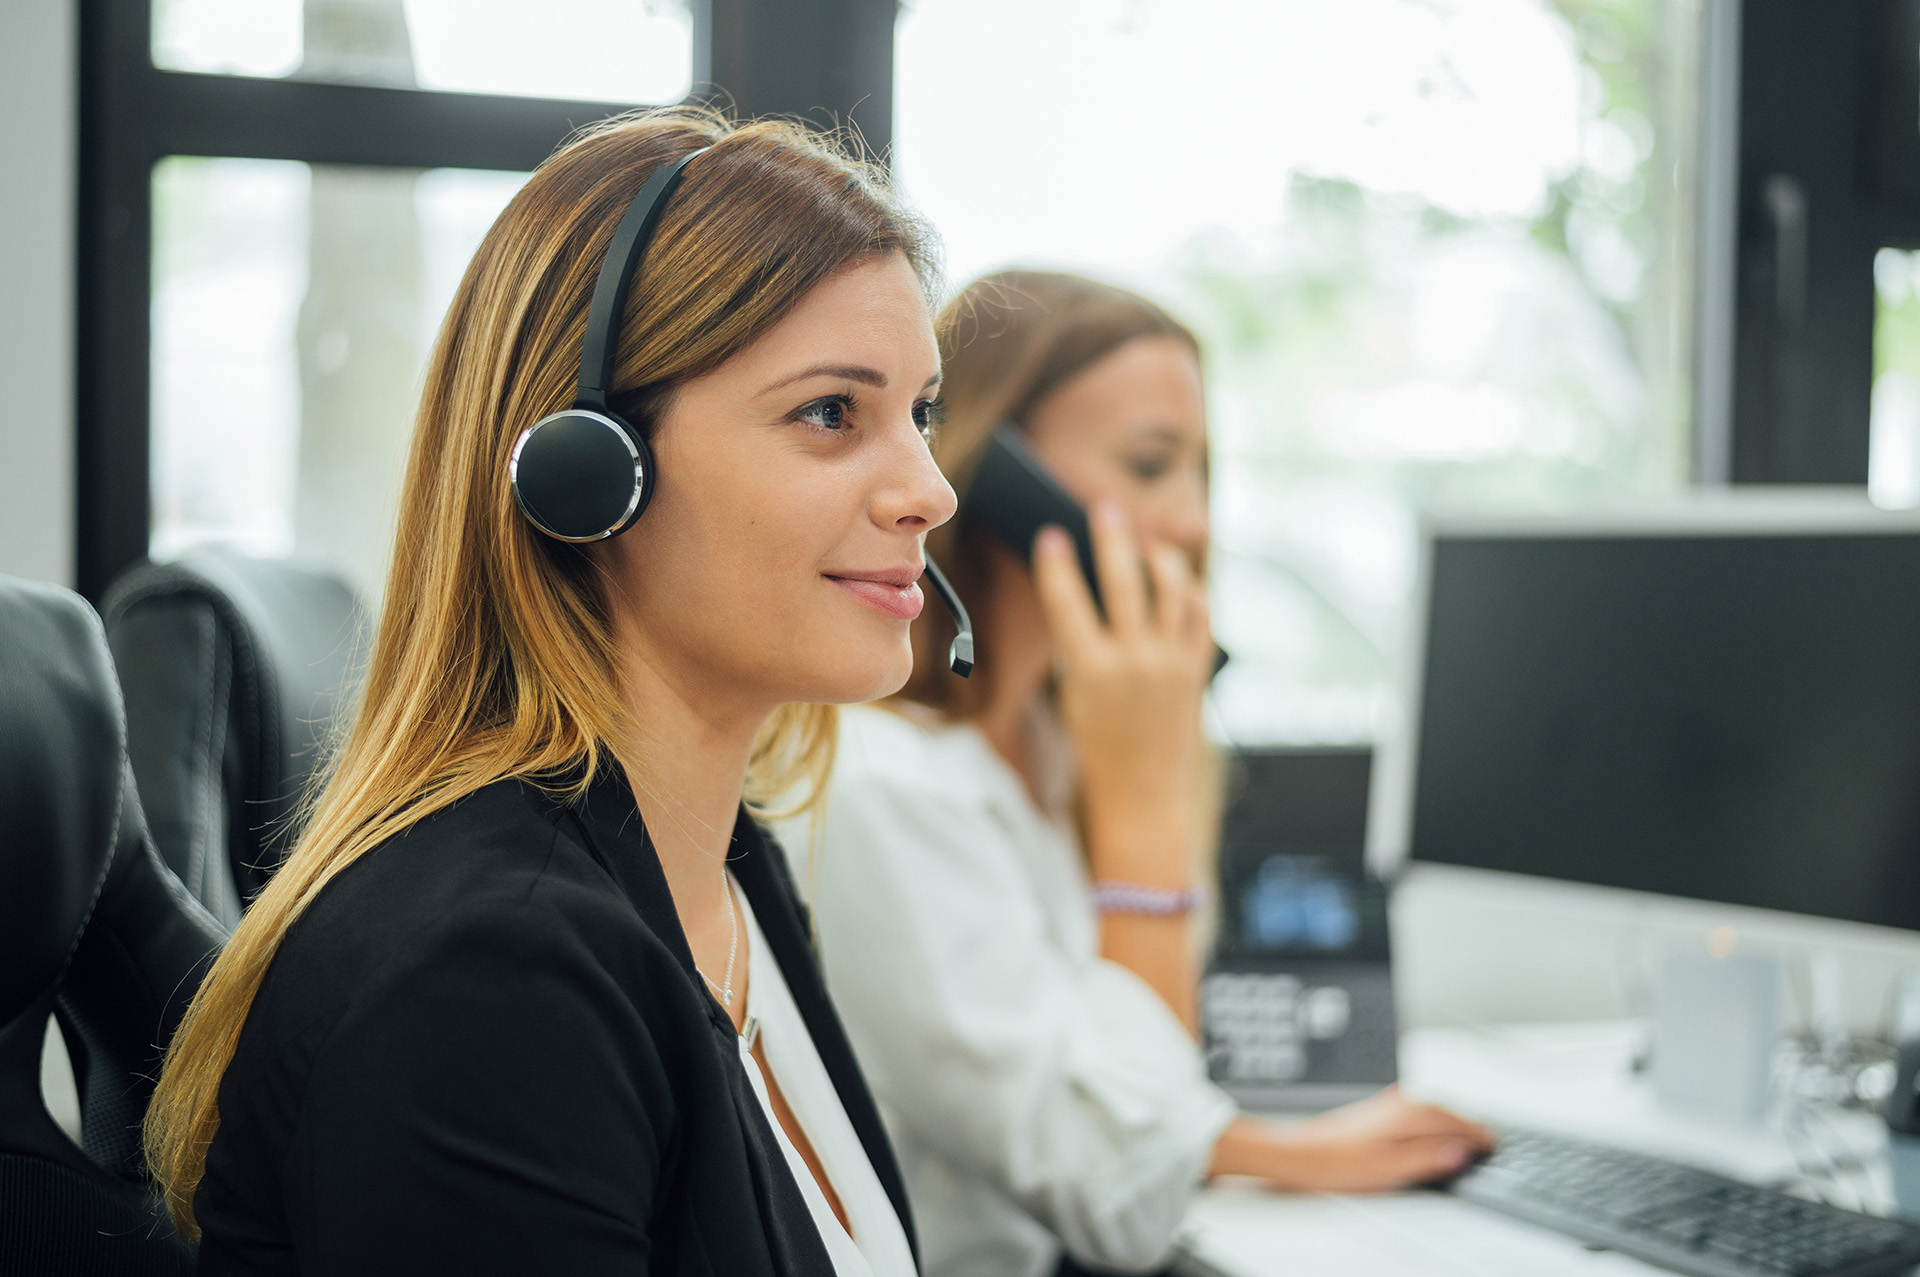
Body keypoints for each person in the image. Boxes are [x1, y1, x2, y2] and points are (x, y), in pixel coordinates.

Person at [144, 108, 954, 1276]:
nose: (929, 489)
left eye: (919, 414)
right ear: (590, 467)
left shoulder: (723, 869)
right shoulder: (488, 979)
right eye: (832, 412)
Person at [774, 271, 1493, 1277]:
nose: (1195, 523)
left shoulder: (1058, 742)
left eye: (1202, 472)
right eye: (1151, 466)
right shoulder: (882, 783)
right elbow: (1119, 1189)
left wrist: (1277, 1148)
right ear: (995, 476)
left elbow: (1095, 1086)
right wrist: (1147, 805)